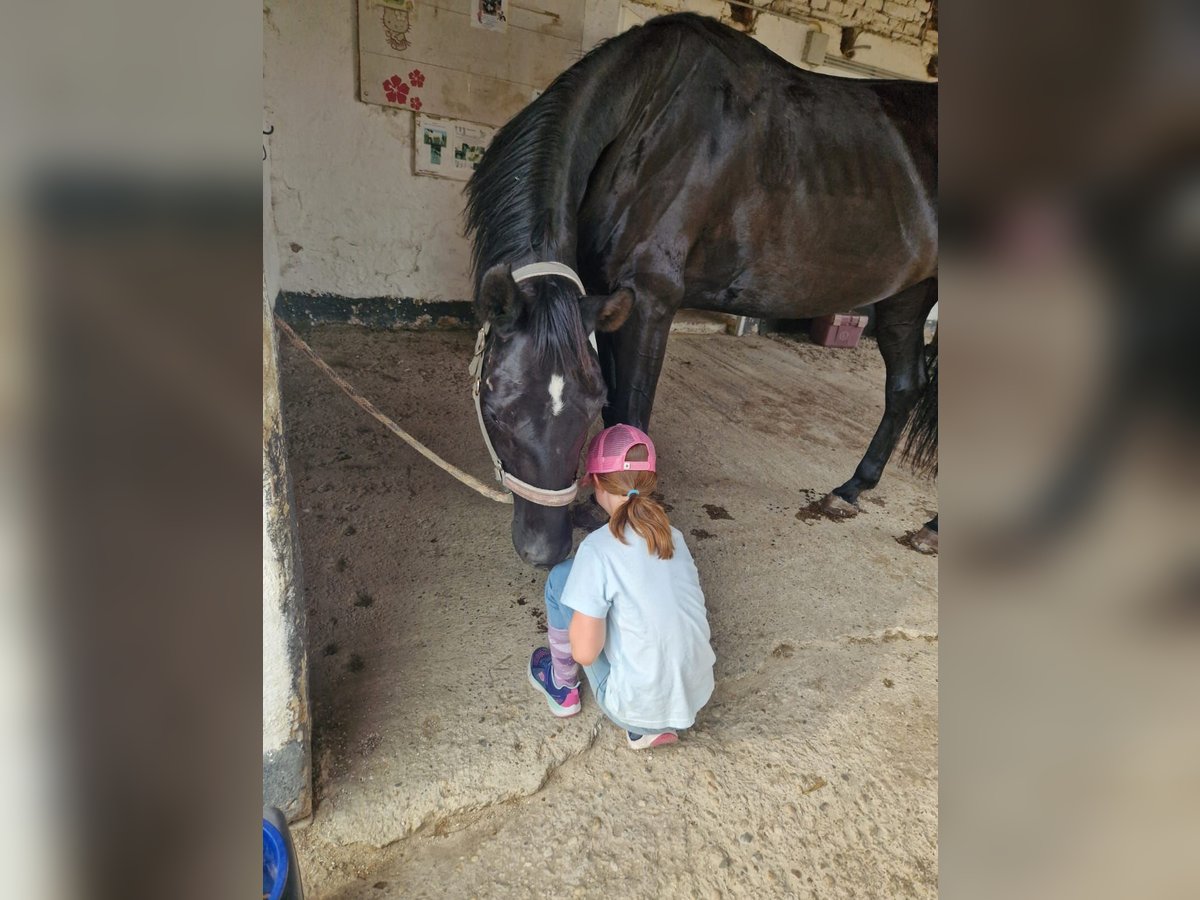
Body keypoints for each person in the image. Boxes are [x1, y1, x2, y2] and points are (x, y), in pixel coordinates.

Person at [527, 425, 716, 749]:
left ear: (596, 482)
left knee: (561, 578)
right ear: (649, 481)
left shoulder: (597, 549)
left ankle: (563, 686)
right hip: (695, 693)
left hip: (634, 706)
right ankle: (653, 720)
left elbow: (586, 652)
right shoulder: (674, 536)